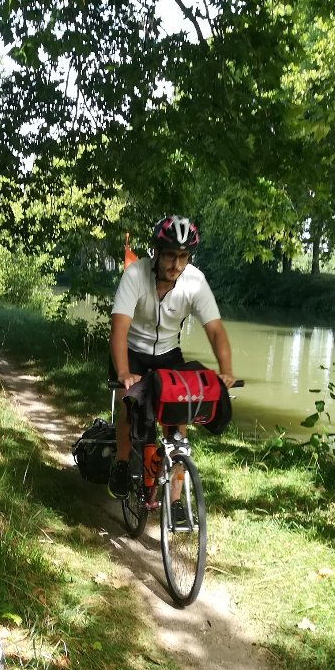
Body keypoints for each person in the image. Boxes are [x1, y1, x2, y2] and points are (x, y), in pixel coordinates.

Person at [107, 214, 238, 499]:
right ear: (156, 252)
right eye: (169, 255)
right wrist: (122, 373)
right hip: (131, 351)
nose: (176, 264)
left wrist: (225, 370)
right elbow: (118, 329)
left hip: (168, 353)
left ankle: (176, 501)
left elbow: (215, 330)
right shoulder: (135, 276)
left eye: (183, 256)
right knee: (129, 407)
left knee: (177, 423)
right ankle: (120, 462)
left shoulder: (195, 282)